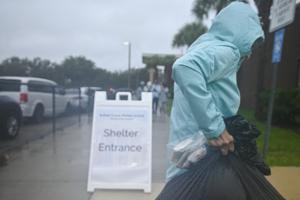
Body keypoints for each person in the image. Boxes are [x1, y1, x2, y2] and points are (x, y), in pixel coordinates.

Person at [166, 1, 264, 182]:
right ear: (242, 34)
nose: (250, 54)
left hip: (185, 153)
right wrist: (216, 129)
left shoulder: (203, 47)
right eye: (251, 43)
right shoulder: (228, 51)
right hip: (203, 157)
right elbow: (184, 67)